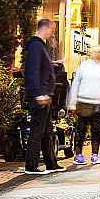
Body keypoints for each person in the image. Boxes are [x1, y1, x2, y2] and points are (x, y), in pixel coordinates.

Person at [23, 19, 65, 175]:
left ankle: (51, 163)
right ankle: (31, 166)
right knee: (37, 131)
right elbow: (32, 72)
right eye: (52, 29)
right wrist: (38, 94)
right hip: (39, 96)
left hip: (44, 95)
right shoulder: (36, 46)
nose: (53, 33)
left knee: (47, 132)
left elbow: (39, 68)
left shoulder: (39, 46)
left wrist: (51, 64)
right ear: (45, 28)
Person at [67, 46, 100, 165]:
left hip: (99, 102)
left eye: (99, 52)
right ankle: (78, 154)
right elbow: (76, 83)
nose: (96, 54)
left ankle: (95, 154)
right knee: (81, 129)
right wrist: (72, 103)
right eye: (94, 52)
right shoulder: (84, 66)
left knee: (96, 129)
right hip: (84, 101)